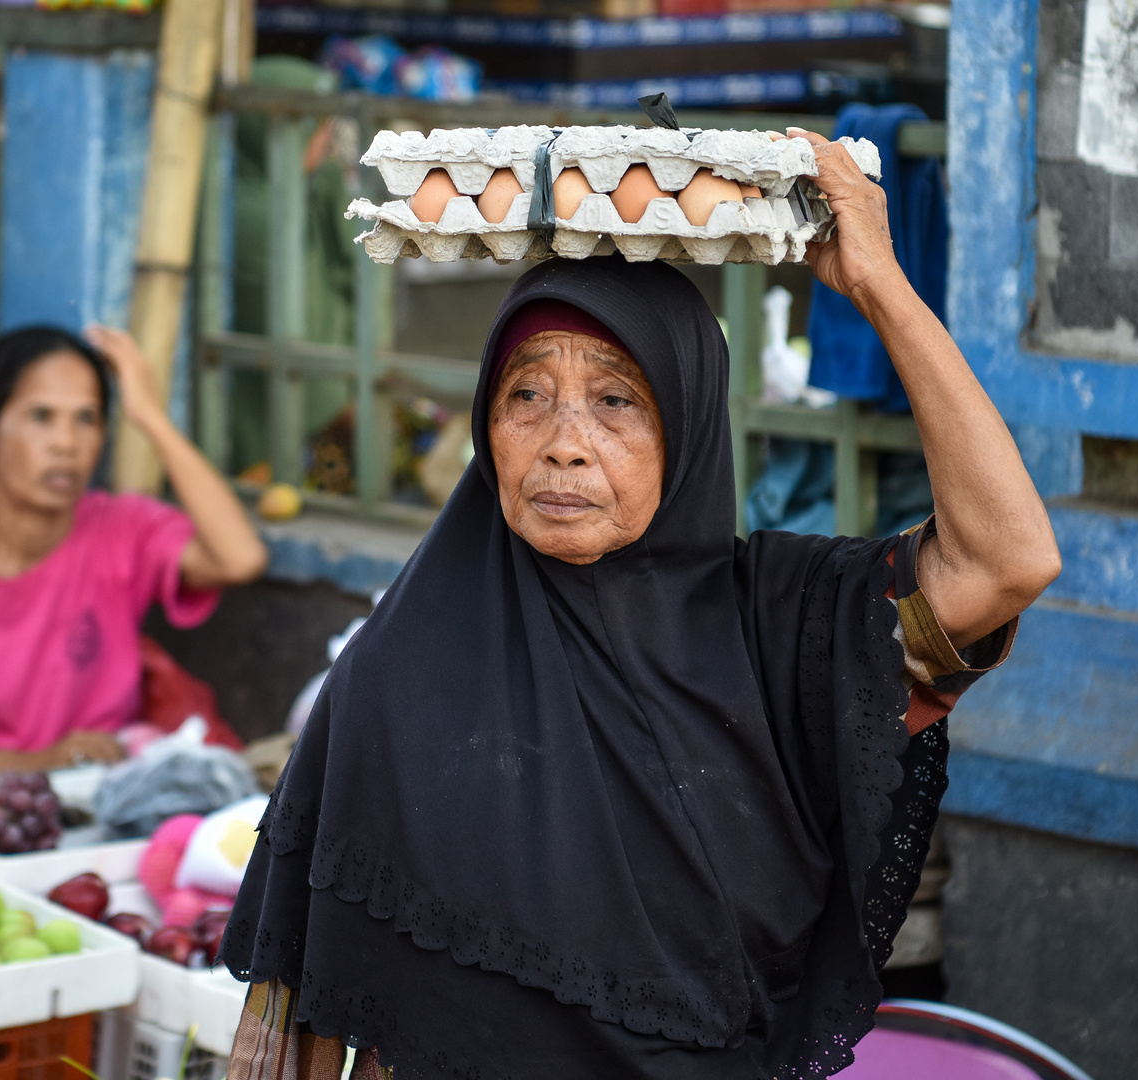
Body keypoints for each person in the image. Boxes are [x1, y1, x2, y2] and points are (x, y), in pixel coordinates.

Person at [220, 130, 1062, 1079]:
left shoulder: (783, 625)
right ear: (485, 426)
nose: (564, 442)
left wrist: (881, 291)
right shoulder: (394, 676)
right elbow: (322, 1025)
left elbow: (1009, 559)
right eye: (525, 394)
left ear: (690, 423)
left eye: (617, 401)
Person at [0, 324, 268, 778]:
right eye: (41, 417)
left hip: (98, 810)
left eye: (87, 419)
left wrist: (151, 418)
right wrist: (30, 767)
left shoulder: (124, 531)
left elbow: (239, 558)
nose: (66, 444)